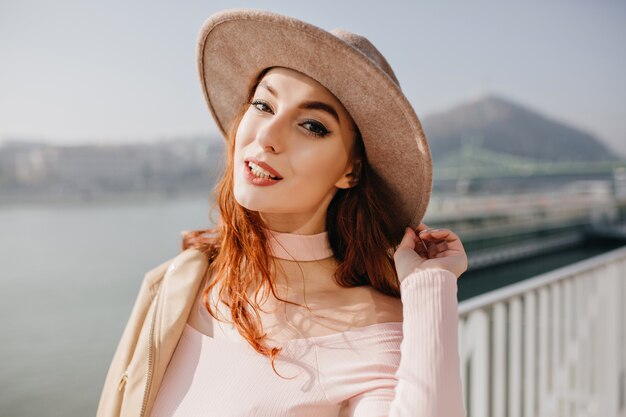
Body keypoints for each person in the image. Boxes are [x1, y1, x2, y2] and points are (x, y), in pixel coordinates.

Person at [97, 9, 468, 417]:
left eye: (312, 126)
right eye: (263, 105)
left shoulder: (375, 332)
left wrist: (430, 287)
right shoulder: (180, 281)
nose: (267, 137)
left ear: (351, 170)